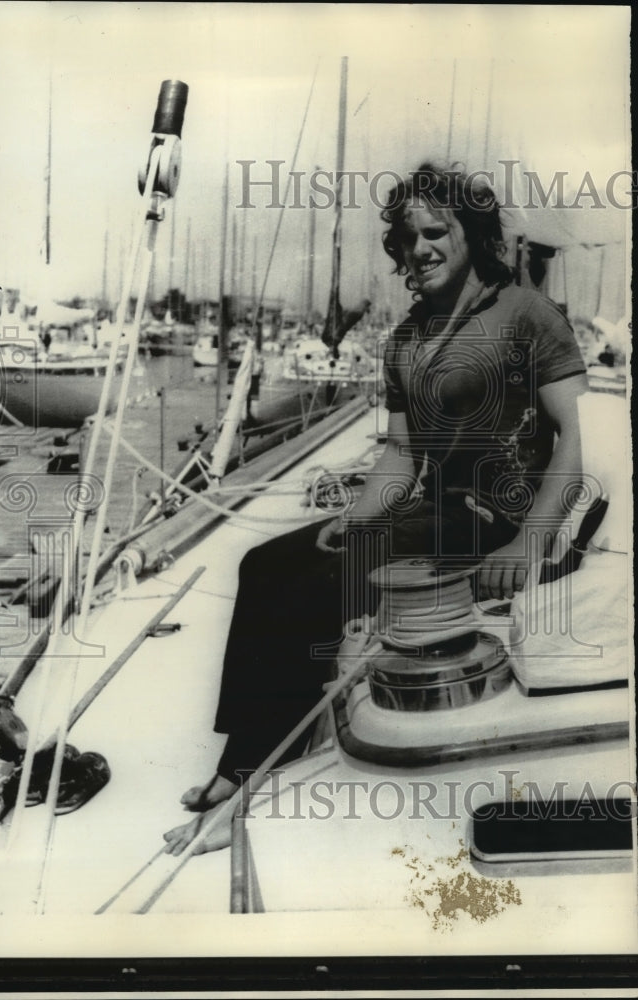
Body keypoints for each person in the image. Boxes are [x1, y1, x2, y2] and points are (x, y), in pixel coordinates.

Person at [163, 162, 587, 856]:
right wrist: (358, 516)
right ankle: (239, 759)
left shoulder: (528, 314)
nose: (418, 248)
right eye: (407, 236)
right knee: (264, 562)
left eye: (435, 231)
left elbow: (573, 438)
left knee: (316, 587)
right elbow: (400, 454)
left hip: (503, 521)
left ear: (471, 235)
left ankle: (249, 783)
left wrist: (528, 545)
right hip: (437, 514)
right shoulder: (408, 338)